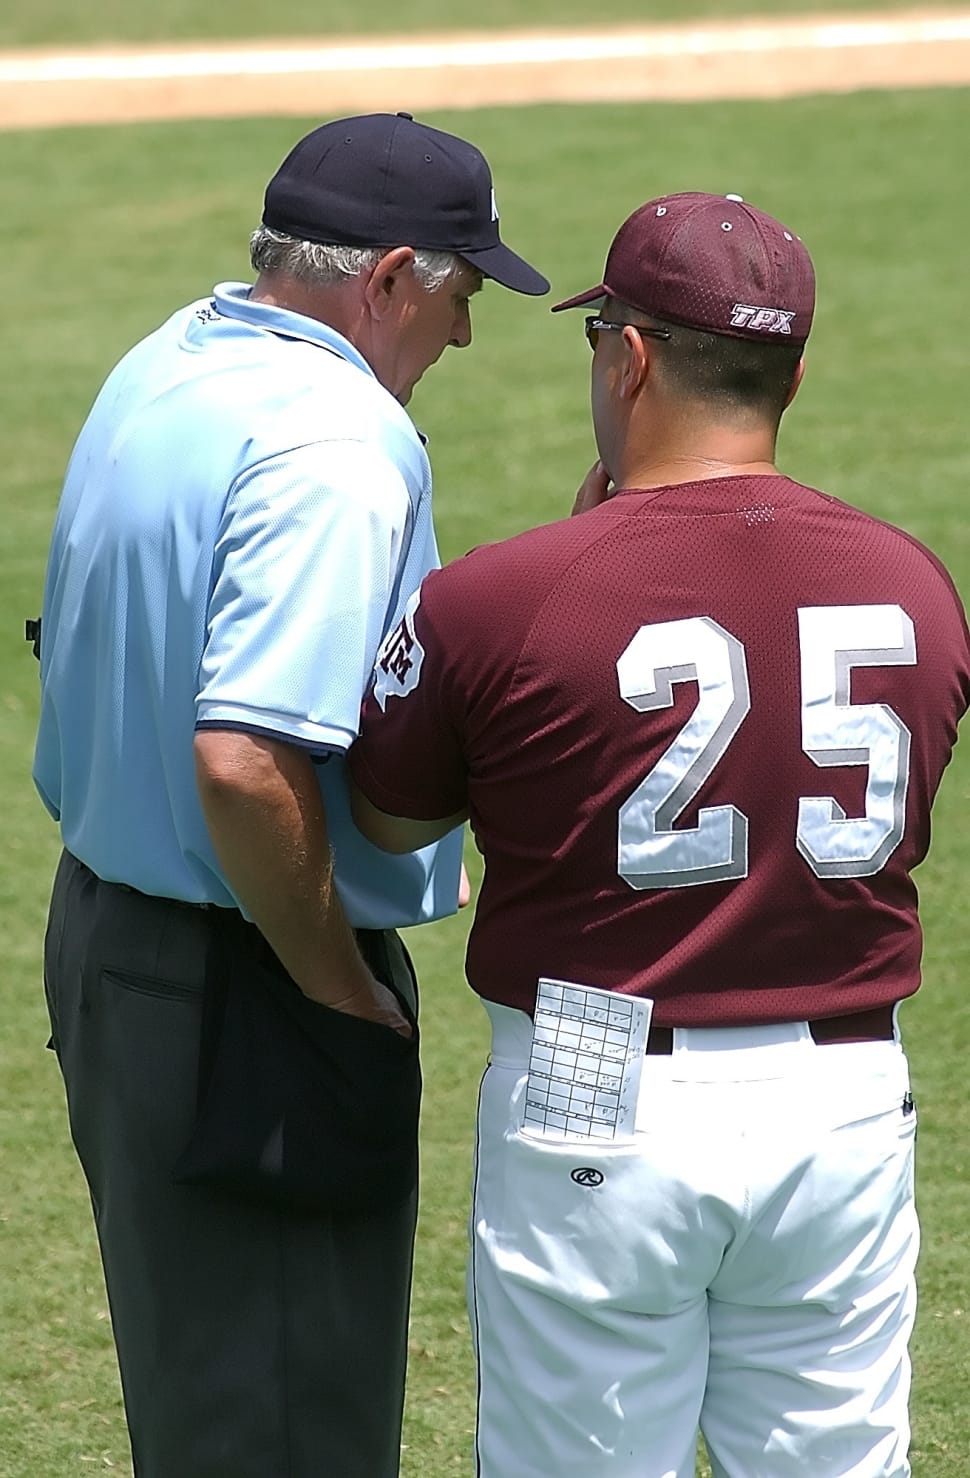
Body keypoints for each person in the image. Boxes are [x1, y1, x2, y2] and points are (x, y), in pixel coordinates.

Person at [347, 191, 970, 1477]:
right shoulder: (916, 581)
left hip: (597, 1082)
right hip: (844, 1095)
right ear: (790, 370)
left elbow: (390, 808)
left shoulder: (504, 595)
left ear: (627, 356)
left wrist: (585, 551)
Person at [31, 110, 548, 1478]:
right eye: (459, 294)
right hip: (247, 984)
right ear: (387, 278)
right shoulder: (334, 441)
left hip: (113, 942)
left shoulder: (166, 362)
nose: (466, 335)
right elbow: (245, 755)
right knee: (288, 1433)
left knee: (203, 1415)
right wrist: (334, 986)